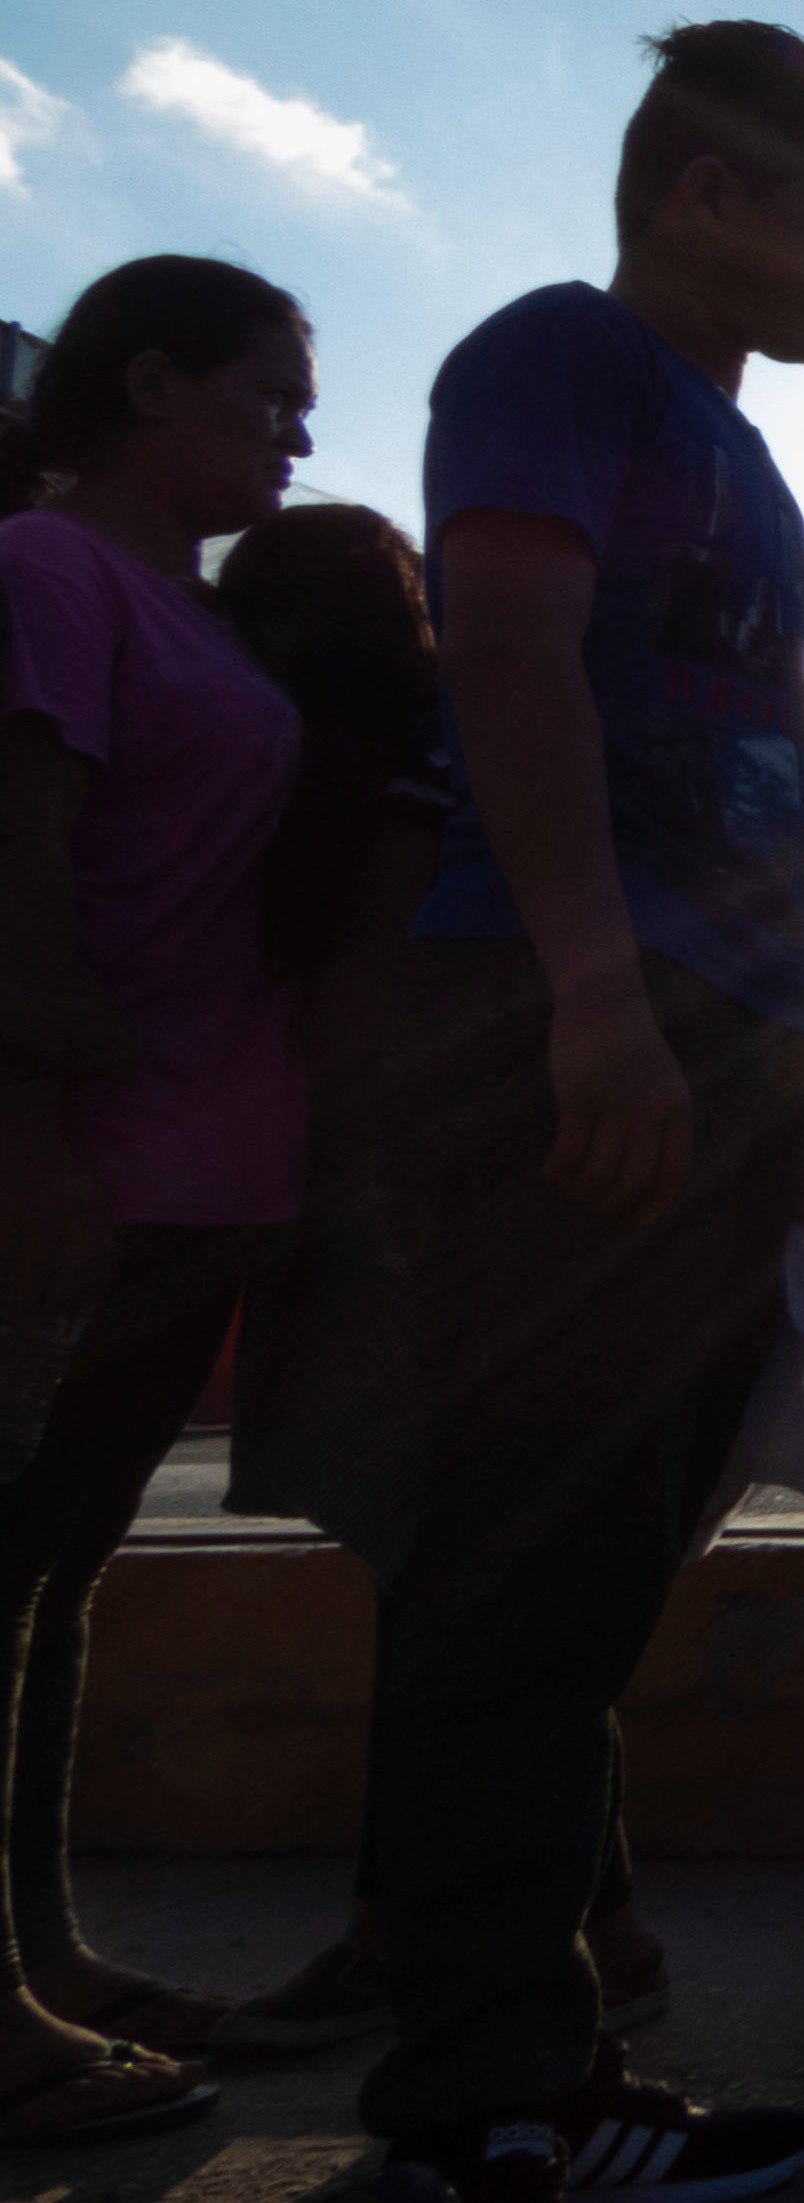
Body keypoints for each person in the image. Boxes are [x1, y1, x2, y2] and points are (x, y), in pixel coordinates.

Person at [357, 22, 804, 2201]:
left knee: (583, 1576)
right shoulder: (560, 357)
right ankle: (490, 2090)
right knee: (521, 1565)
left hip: (724, 1041)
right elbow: (500, 648)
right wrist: (590, 994)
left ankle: (520, 2031)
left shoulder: (732, 450)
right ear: (704, 194)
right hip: (592, 1019)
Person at [212, 508, 679, 2055]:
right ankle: (585, 1910)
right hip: (463, 1175)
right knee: (500, 1572)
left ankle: (415, 1928)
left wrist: (338, 1170)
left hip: (397, 1187)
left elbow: (362, 977)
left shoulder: (389, 746)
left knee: (451, 1587)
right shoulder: (455, 723)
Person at [0, 257, 310, 2142]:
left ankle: (44, 1947)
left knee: (52, 1584)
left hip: (198, 1178)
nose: (295, 426)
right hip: (77, 1177)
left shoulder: (190, 610)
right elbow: (19, 871)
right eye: (267, 391)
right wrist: (30, 1141)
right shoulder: (49, 572)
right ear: (146, 386)